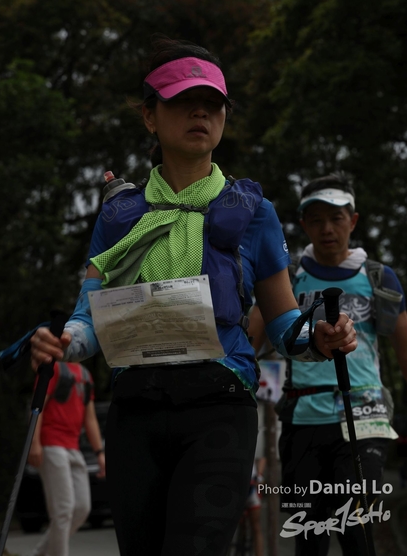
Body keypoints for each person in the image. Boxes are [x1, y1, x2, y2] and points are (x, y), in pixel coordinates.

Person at [29, 38, 356, 556]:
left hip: (220, 408)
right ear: (150, 116)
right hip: (135, 410)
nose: (200, 112)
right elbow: (87, 320)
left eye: (213, 102)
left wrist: (320, 337)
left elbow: (283, 326)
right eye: (183, 100)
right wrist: (61, 343)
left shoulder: (255, 212)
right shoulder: (118, 215)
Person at [249, 172, 407, 556]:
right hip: (301, 419)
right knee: (309, 536)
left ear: (353, 220)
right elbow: (250, 340)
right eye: (316, 219)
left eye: (336, 218)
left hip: (364, 416)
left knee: (356, 531)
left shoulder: (379, 278)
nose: (327, 229)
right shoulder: (286, 278)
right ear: (303, 224)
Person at [28, 361, 105, 556]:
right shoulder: (53, 369)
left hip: (73, 446)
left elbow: (90, 418)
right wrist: (34, 442)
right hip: (51, 443)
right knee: (63, 511)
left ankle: (39, 553)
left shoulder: (85, 375)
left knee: (82, 508)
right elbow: (37, 407)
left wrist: (99, 453)